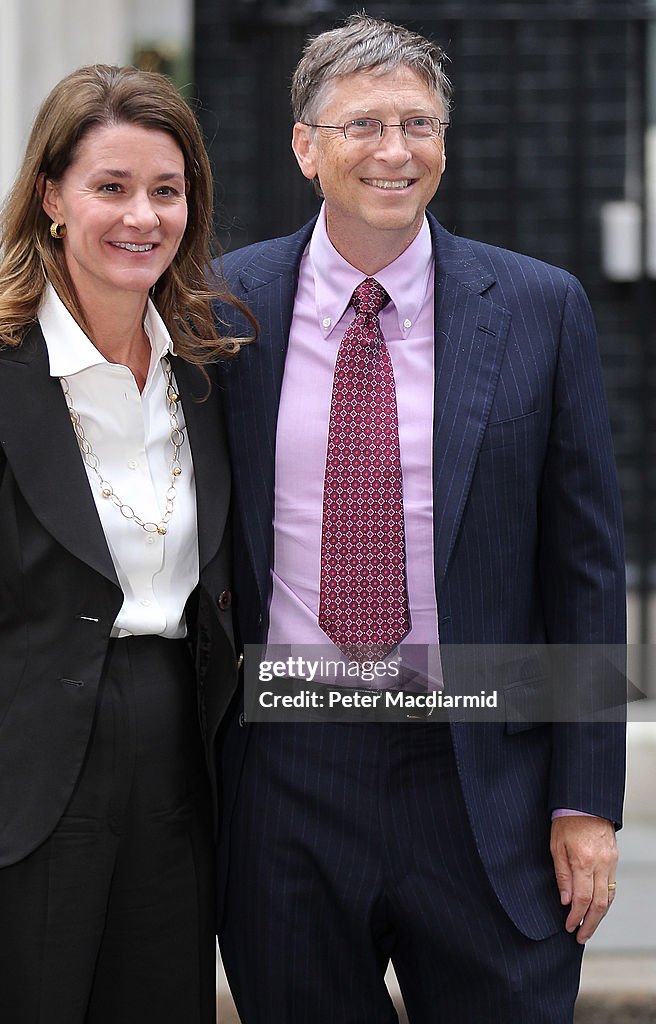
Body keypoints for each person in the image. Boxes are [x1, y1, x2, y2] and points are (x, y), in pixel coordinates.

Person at [214, 14, 626, 1023]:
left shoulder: (538, 306)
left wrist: (584, 800)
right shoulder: (223, 310)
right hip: (287, 766)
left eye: (418, 123)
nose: (395, 151)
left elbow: (581, 565)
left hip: (479, 768)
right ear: (304, 146)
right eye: (362, 125)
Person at [0, 63, 251, 1023]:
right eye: (110, 187)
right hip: (22, 782)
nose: (142, 217)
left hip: (178, 773)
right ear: (50, 197)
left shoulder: (206, 373)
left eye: (167, 191)